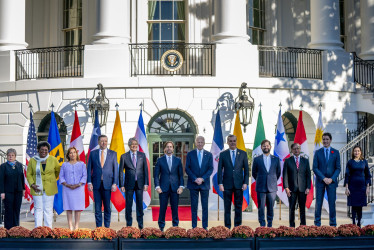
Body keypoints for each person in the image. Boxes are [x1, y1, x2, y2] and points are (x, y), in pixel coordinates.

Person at [26, 141, 60, 228]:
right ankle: (38, 229)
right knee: (38, 209)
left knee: (48, 209)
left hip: (50, 188)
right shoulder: (33, 160)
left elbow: (57, 172)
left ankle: (48, 229)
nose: (44, 151)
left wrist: (50, 180)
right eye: (42, 149)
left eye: (46, 150)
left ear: (48, 150)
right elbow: (29, 174)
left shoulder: (53, 159)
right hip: (36, 188)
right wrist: (32, 184)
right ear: (38, 150)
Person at [218, 134, 249, 229]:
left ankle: (237, 227)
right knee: (227, 207)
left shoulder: (243, 153)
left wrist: (245, 182)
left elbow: (247, 170)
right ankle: (227, 227)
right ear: (227, 142)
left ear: (236, 141)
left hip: (239, 185)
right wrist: (220, 183)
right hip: (226, 185)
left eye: (234, 140)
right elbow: (219, 170)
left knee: (238, 207)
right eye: (230, 141)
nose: (232, 142)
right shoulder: (223, 154)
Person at [87, 135, 118, 228]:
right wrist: (89, 182)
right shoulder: (93, 153)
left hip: (108, 184)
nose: (104, 143)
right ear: (98, 142)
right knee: (97, 208)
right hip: (96, 184)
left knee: (107, 208)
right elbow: (89, 169)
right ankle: (99, 228)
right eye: (102, 141)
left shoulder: (113, 153)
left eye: (105, 141)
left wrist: (114, 183)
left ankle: (107, 227)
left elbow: (115, 169)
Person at [119, 137, 149, 229]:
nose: (134, 146)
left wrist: (146, 183)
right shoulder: (124, 156)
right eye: (132, 144)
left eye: (136, 144)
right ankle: (129, 225)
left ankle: (140, 225)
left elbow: (145, 170)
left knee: (139, 205)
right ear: (129, 146)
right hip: (128, 184)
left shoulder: (142, 155)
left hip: (140, 184)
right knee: (128, 205)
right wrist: (121, 185)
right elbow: (120, 171)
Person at [154, 141, 184, 231]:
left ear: (173, 149)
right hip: (163, 188)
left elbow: (181, 175)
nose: (169, 148)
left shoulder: (178, 160)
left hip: (175, 188)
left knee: (175, 208)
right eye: (167, 147)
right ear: (164, 149)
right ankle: (161, 227)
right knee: (163, 208)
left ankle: (175, 226)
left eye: (171, 147)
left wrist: (181, 186)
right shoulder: (160, 160)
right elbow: (156, 175)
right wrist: (157, 186)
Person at [185, 136, 213, 230]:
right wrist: (195, 178)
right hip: (193, 184)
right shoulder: (190, 154)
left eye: (201, 142)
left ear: (204, 143)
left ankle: (205, 227)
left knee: (205, 207)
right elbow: (187, 168)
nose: (200, 144)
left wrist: (202, 178)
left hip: (204, 184)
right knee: (194, 207)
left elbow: (210, 169)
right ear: (195, 143)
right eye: (198, 142)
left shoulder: (209, 154)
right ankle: (194, 227)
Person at [313, 132, 341, 227]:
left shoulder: (336, 152)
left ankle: (333, 224)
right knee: (318, 203)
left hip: (332, 182)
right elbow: (315, 167)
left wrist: (331, 179)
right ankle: (317, 224)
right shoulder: (318, 152)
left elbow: (338, 168)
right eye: (324, 139)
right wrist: (324, 178)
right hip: (320, 181)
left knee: (332, 203)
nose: (325, 141)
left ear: (330, 140)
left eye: (327, 139)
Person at [252, 139, 281, 227]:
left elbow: (278, 172)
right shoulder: (257, 159)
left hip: (272, 187)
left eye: (267, 145)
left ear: (270, 147)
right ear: (261, 147)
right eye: (264, 146)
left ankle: (270, 224)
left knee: (270, 207)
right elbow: (254, 173)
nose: (266, 147)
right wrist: (261, 179)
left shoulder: (276, 159)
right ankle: (262, 224)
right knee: (261, 207)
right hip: (261, 187)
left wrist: (271, 180)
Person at [283, 143, 311, 227]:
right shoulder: (287, 161)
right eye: (294, 149)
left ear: (300, 149)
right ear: (292, 150)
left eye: (298, 148)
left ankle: (303, 226)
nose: (296, 150)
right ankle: (292, 226)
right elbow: (285, 175)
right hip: (291, 189)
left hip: (303, 189)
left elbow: (308, 175)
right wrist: (286, 188)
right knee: (291, 209)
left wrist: (308, 187)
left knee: (302, 209)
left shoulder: (305, 161)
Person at [59, 147, 87, 230]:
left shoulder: (82, 164)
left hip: (78, 189)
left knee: (78, 208)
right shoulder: (64, 165)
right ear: (68, 155)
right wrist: (67, 185)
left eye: (74, 152)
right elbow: (61, 176)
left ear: (76, 154)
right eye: (70, 153)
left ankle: (77, 226)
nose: (72, 154)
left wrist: (78, 185)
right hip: (67, 189)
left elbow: (84, 175)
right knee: (69, 207)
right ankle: (70, 226)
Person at [344, 145, 371, 227]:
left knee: (360, 206)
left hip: (362, 187)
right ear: (353, 152)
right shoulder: (350, 162)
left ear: (360, 152)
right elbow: (347, 175)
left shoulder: (364, 162)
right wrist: (347, 188)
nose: (357, 152)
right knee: (354, 206)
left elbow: (367, 175)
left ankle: (359, 223)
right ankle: (353, 223)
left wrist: (368, 187)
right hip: (352, 187)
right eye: (355, 151)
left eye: (358, 151)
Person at [0, 149, 25, 229]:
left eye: (12, 155)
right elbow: (1, 180)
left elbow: (22, 177)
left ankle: (16, 228)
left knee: (16, 210)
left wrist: (23, 189)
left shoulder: (19, 165)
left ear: (15, 156)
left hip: (18, 191)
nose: (10, 157)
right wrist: (2, 192)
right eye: (9, 155)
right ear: (7, 156)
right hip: (8, 192)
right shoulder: (3, 166)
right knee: (9, 210)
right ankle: (8, 229)